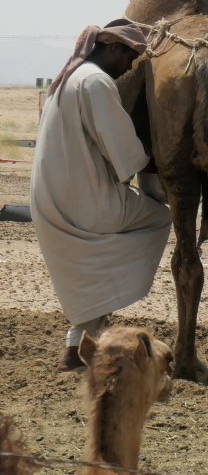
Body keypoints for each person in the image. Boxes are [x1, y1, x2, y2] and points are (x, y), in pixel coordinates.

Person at [30, 20, 171, 372]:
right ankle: (99, 319)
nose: (129, 66)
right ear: (113, 47)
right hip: (87, 202)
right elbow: (123, 150)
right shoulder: (95, 81)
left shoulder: (67, 80)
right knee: (160, 217)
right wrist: (156, 159)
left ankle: (77, 346)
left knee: (96, 267)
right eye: (129, 57)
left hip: (51, 201)